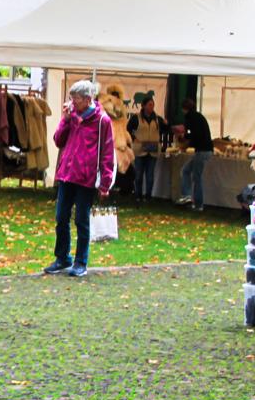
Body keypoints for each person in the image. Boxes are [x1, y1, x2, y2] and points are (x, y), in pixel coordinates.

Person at [45, 80, 115, 279]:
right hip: (67, 174)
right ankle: (62, 258)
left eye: (75, 98)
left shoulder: (102, 121)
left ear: (87, 99)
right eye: (71, 97)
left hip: (86, 177)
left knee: (81, 220)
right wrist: (65, 120)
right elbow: (58, 140)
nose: (72, 102)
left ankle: (80, 262)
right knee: (61, 217)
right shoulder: (72, 117)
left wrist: (105, 183)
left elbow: (107, 152)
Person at [127, 95, 167, 200]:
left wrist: (166, 125)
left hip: (153, 149)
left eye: (153, 105)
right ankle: (138, 195)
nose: (151, 107)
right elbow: (128, 129)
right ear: (143, 106)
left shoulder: (158, 119)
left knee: (150, 175)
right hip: (139, 149)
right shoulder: (135, 118)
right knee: (138, 174)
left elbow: (165, 130)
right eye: (149, 105)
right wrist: (133, 138)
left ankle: (148, 196)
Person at [177, 97, 213, 208]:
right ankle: (187, 196)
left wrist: (185, 137)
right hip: (205, 149)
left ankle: (198, 203)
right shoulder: (198, 116)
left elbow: (196, 135)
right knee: (185, 171)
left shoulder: (192, 118)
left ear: (184, 109)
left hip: (202, 150)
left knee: (196, 177)